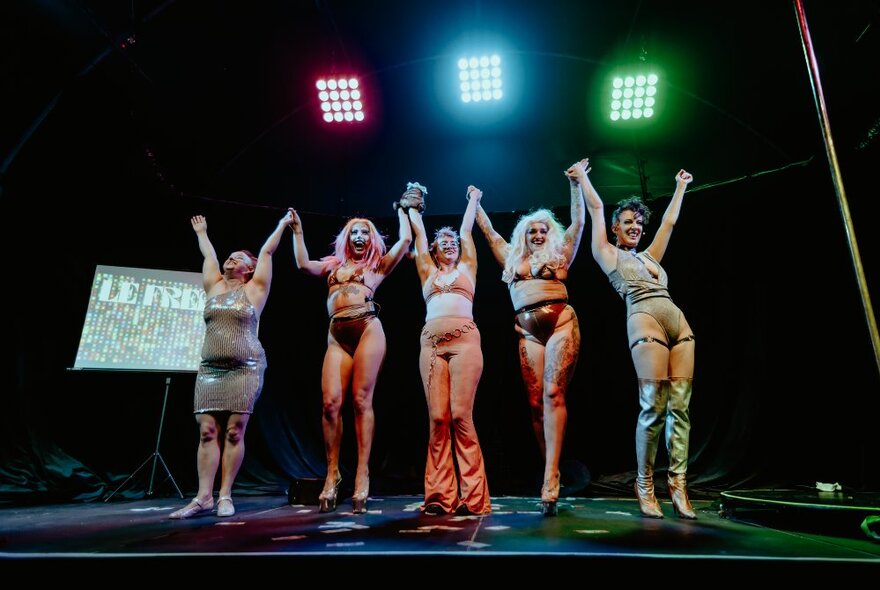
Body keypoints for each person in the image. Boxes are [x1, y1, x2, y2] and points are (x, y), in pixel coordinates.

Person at [574, 162, 697, 519]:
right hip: (644, 318)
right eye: (627, 222)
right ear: (615, 227)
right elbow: (596, 208)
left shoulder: (650, 257)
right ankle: (644, 484)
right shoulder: (608, 253)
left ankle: (678, 484)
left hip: (677, 321)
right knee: (653, 406)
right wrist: (582, 178)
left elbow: (669, 223)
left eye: (638, 223)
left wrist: (680, 187)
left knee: (681, 407)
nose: (635, 228)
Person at [474, 170, 586, 516]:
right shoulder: (511, 256)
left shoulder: (561, 253)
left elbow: (579, 223)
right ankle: (549, 462)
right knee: (536, 403)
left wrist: (574, 184)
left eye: (543, 230)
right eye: (532, 230)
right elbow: (490, 233)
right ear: (524, 234)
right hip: (526, 330)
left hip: (560, 322)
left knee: (554, 393)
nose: (538, 234)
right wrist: (475, 204)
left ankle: (550, 477)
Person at [289, 204, 412, 513]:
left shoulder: (378, 266)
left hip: (368, 327)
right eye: (354, 232)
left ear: (371, 240)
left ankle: (362, 472)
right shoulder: (333, 264)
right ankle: (332, 473)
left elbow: (406, 241)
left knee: (360, 401)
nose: (359, 236)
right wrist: (298, 231)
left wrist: (402, 211)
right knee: (330, 404)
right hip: (336, 335)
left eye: (365, 233)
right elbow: (303, 265)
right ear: (347, 238)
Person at [170, 211, 292, 519]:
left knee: (235, 431)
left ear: (249, 269)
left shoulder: (255, 289)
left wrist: (281, 225)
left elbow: (267, 251)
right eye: (230, 256)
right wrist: (202, 232)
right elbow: (209, 255)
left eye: (237, 258)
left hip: (246, 367)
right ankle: (203, 497)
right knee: (207, 431)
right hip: (210, 370)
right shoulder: (213, 286)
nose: (229, 259)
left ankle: (225, 495)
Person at [405, 182, 491, 516]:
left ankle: (473, 497)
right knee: (437, 418)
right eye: (443, 242)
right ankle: (440, 495)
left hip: (465, 341)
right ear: (435, 251)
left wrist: (473, 199)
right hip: (431, 344)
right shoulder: (426, 269)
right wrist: (413, 210)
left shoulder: (467, 268)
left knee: (460, 416)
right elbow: (419, 238)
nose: (449, 244)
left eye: (452, 241)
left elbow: (467, 230)